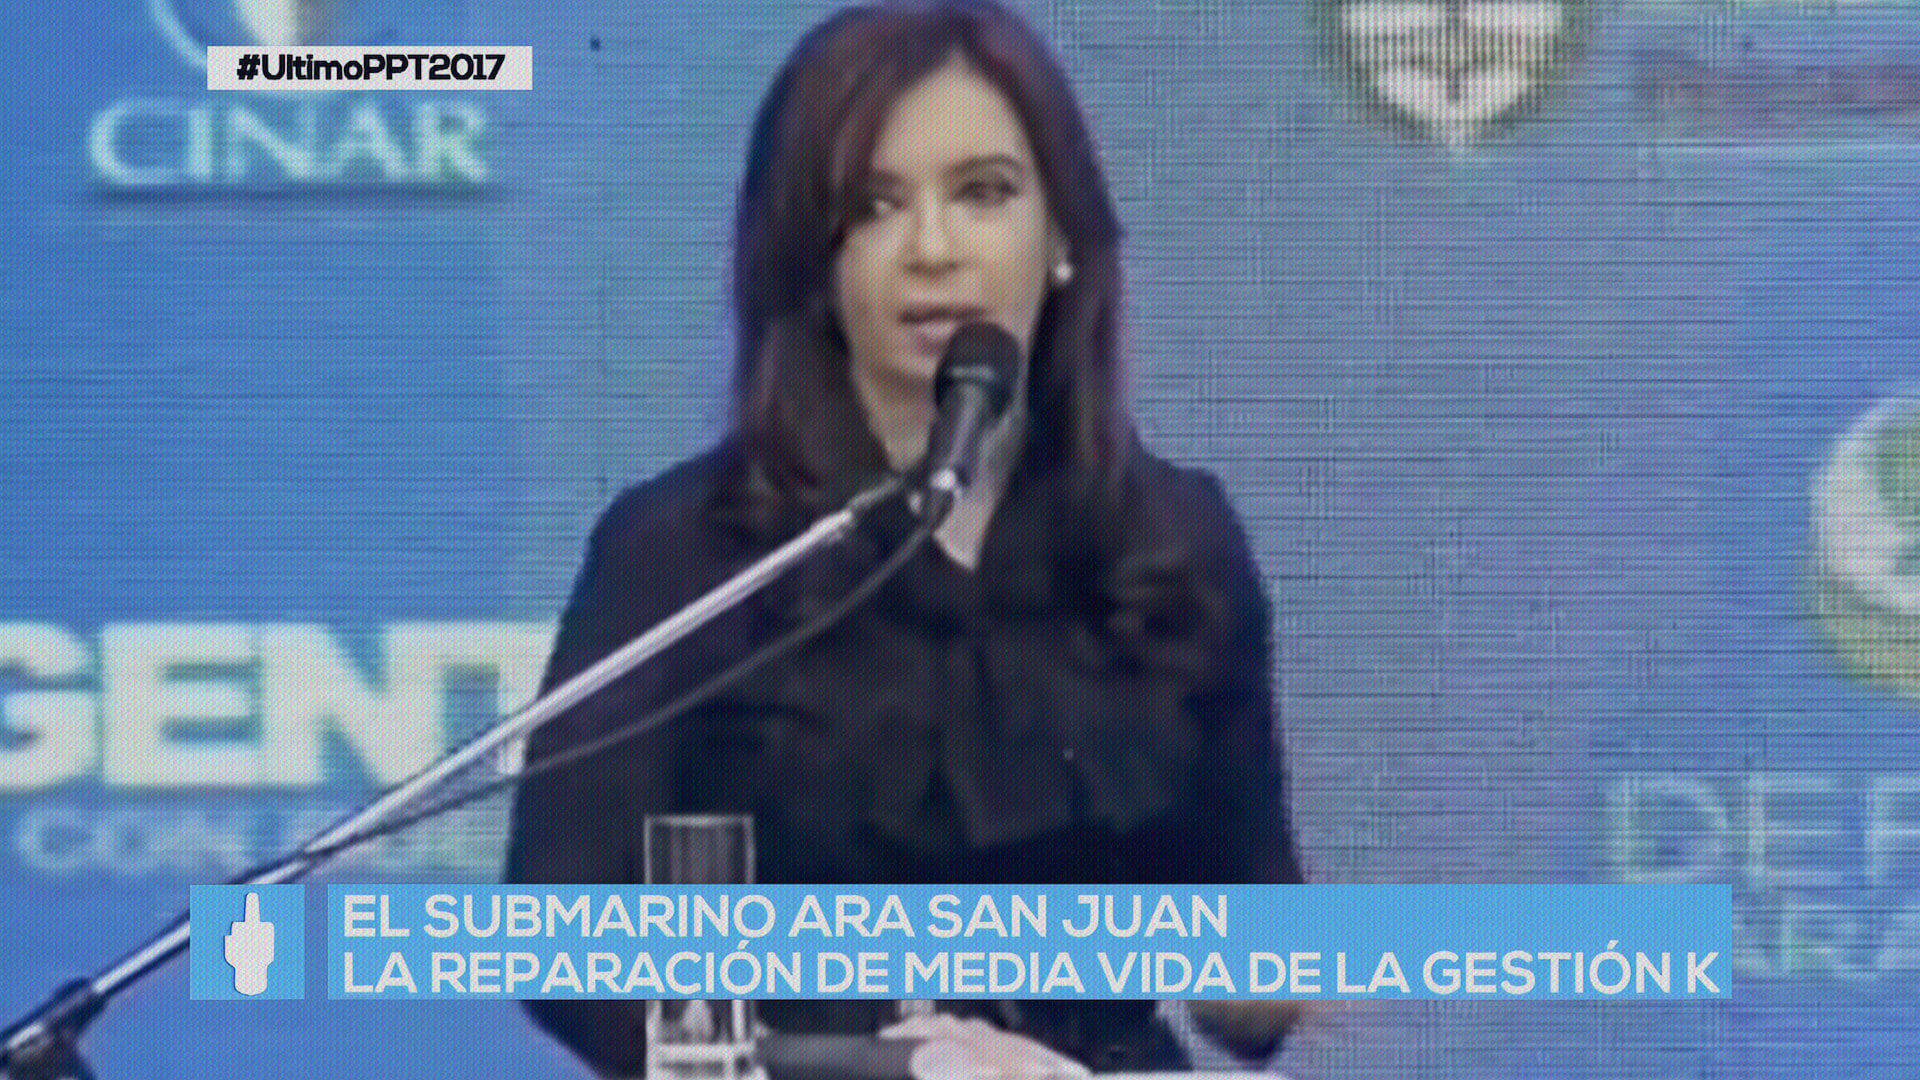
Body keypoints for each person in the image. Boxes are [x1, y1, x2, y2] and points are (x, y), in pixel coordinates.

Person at [504, 1, 1310, 1075]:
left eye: (984, 193)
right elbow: (564, 952)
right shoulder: (686, 555)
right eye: (874, 206)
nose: (933, 249)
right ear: (814, 259)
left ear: (1063, 238)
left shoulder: (1172, 546)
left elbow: (1253, 976)